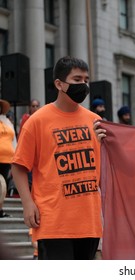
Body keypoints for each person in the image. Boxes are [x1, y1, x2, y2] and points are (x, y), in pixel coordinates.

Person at [11, 56, 102, 260]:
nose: (83, 85)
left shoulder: (96, 121)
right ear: (59, 84)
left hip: (90, 221)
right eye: (77, 79)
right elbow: (18, 166)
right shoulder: (37, 121)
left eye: (86, 80)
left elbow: (104, 168)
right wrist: (27, 203)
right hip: (53, 221)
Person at [0, 99, 17, 218]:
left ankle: (0, 210)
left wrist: (16, 157)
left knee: (3, 186)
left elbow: (14, 141)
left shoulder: (7, 121)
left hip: (7, 159)